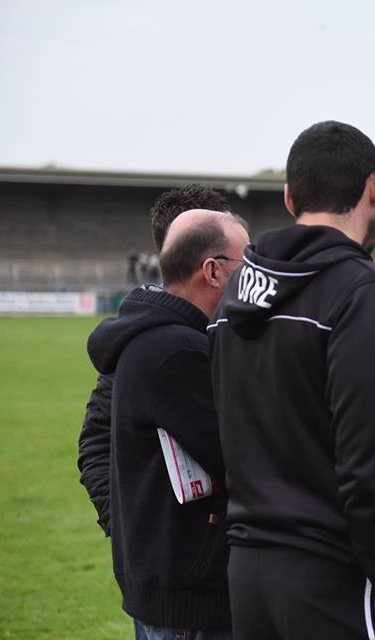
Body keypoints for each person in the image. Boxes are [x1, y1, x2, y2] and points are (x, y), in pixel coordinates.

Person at [208, 121, 375, 640]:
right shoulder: (363, 290)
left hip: (247, 576)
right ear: (374, 188)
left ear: (290, 197)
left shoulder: (232, 298)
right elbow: (373, 470)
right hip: (334, 579)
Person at [86, 209, 250, 639]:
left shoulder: (160, 338)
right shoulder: (175, 351)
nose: (254, 276)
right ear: (213, 271)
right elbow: (244, 457)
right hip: (189, 597)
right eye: (245, 263)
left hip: (172, 585)